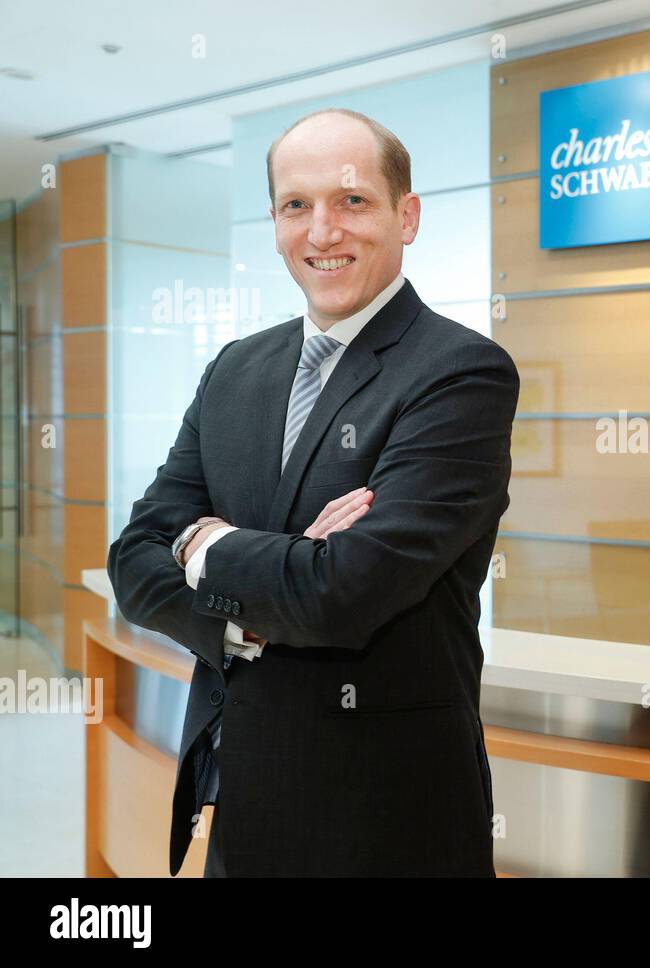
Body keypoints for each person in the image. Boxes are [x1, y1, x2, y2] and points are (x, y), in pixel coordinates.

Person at [106, 107, 518, 876]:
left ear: (407, 215)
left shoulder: (460, 374)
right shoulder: (235, 369)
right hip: (242, 804)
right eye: (298, 205)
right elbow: (133, 559)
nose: (322, 231)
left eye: (352, 200)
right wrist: (262, 588)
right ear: (274, 221)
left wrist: (205, 542)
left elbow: (346, 591)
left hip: (391, 820)